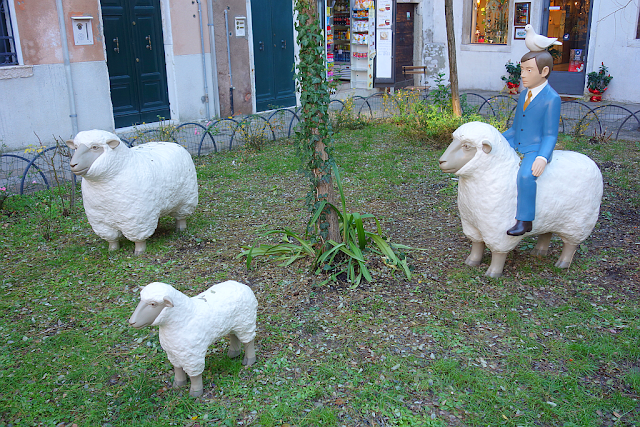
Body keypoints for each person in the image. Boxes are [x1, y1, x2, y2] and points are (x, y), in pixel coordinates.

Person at [502, 50, 561, 236]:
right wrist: (497, 140)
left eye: (528, 70)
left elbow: (550, 135)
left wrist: (542, 157)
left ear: (544, 72)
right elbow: (515, 126)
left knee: (526, 176)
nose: (522, 75)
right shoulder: (523, 95)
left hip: (535, 146)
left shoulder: (552, 99)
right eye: (522, 70)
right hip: (517, 139)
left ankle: (525, 220)